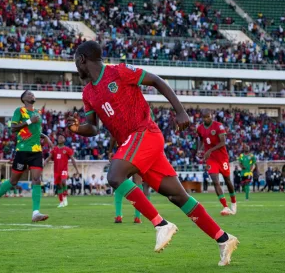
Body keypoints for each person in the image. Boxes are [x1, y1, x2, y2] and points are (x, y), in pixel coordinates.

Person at [67, 41, 238, 266]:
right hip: (135, 145)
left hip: (145, 133)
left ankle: (161, 224)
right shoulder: (88, 92)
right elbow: (93, 126)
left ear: (82, 59)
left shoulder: (119, 72)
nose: (75, 67)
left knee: (114, 176)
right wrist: (78, 129)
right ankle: (224, 239)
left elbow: (156, 80)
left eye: (74, 61)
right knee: (178, 196)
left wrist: (180, 111)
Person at [0, 90, 53, 222]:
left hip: (36, 150)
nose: (32, 95)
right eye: (28, 94)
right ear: (23, 99)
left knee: (36, 179)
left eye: (33, 94)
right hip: (22, 149)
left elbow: (35, 132)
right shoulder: (20, 111)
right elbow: (13, 128)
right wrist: (29, 121)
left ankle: (35, 212)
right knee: (13, 181)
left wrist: (45, 136)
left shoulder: (37, 113)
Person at [197, 109, 237, 216]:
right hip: (211, 159)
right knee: (215, 181)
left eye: (208, 117)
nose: (206, 119)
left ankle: (233, 202)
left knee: (227, 180)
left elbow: (223, 142)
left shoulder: (218, 126)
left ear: (212, 116)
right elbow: (201, 139)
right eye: (204, 117)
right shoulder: (200, 128)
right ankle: (225, 206)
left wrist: (210, 150)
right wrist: (199, 149)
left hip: (222, 158)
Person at [109, 135, 150, 223]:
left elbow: (113, 137)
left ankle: (118, 216)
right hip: (136, 153)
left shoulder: (120, 124)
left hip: (122, 154)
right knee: (138, 181)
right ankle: (137, 217)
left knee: (119, 182)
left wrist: (110, 151)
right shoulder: (135, 125)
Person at [45, 134, 79, 207]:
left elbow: (73, 159)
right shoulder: (54, 149)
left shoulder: (67, 149)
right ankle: (61, 202)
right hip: (56, 171)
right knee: (59, 186)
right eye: (59, 137)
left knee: (63, 181)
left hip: (64, 169)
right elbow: (49, 158)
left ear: (64, 140)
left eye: (62, 137)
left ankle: (65, 196)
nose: (60, 138)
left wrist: (77, 169)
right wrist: (44, 163)